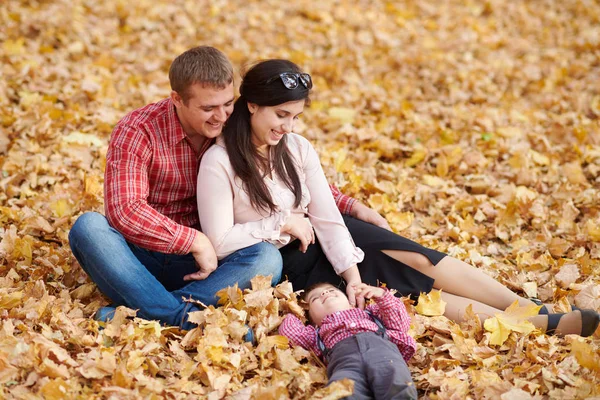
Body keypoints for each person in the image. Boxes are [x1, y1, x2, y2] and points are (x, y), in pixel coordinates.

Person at [197, 58, 599, 337]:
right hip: (287, 261)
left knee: (415, 257)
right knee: (404, 292)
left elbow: (327, 218)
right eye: (280, 115)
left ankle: (531, 308)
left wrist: (351, 275)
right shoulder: (220, 162)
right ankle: (532, 326)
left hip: (331, 240)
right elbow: (219, 242)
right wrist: (280, 223)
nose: (288, 126)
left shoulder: (298, 148)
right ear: (252, 105)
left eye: (296, 116)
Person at [67, 46, 375, 330]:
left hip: (210, 265)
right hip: (140, 257)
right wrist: (195, 241)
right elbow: (125, 210)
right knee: (88, 227)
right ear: (177, 99)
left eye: (228, 103)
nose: (221, 116)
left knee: (267, 257)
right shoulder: (138, 130)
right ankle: (177, 314)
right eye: (208, 108)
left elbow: (285, 173)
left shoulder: (233, 125)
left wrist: (350, 205)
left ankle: (154, 312)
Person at [279, 282, 418, 399]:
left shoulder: (371, 313)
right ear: (312, 320)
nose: (324, 294)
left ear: (350, 302)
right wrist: (295, 311)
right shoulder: (316, 334)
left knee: (397, 383)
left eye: (331, 290)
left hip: (383, 354)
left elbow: (400, 323)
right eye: (315, 298)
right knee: (343, 392)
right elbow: (290, 332)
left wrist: (382, 296)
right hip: (345, 364)